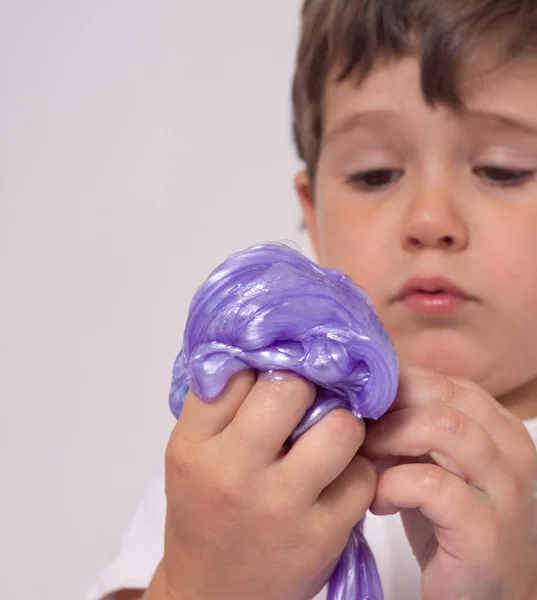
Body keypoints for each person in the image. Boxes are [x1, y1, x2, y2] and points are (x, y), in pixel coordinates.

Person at [85, 0, 537, 598]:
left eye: (501, 170)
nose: (431, 220)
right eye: (375, 174)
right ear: (314, 216)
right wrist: (205, 582)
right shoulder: (250, 447)